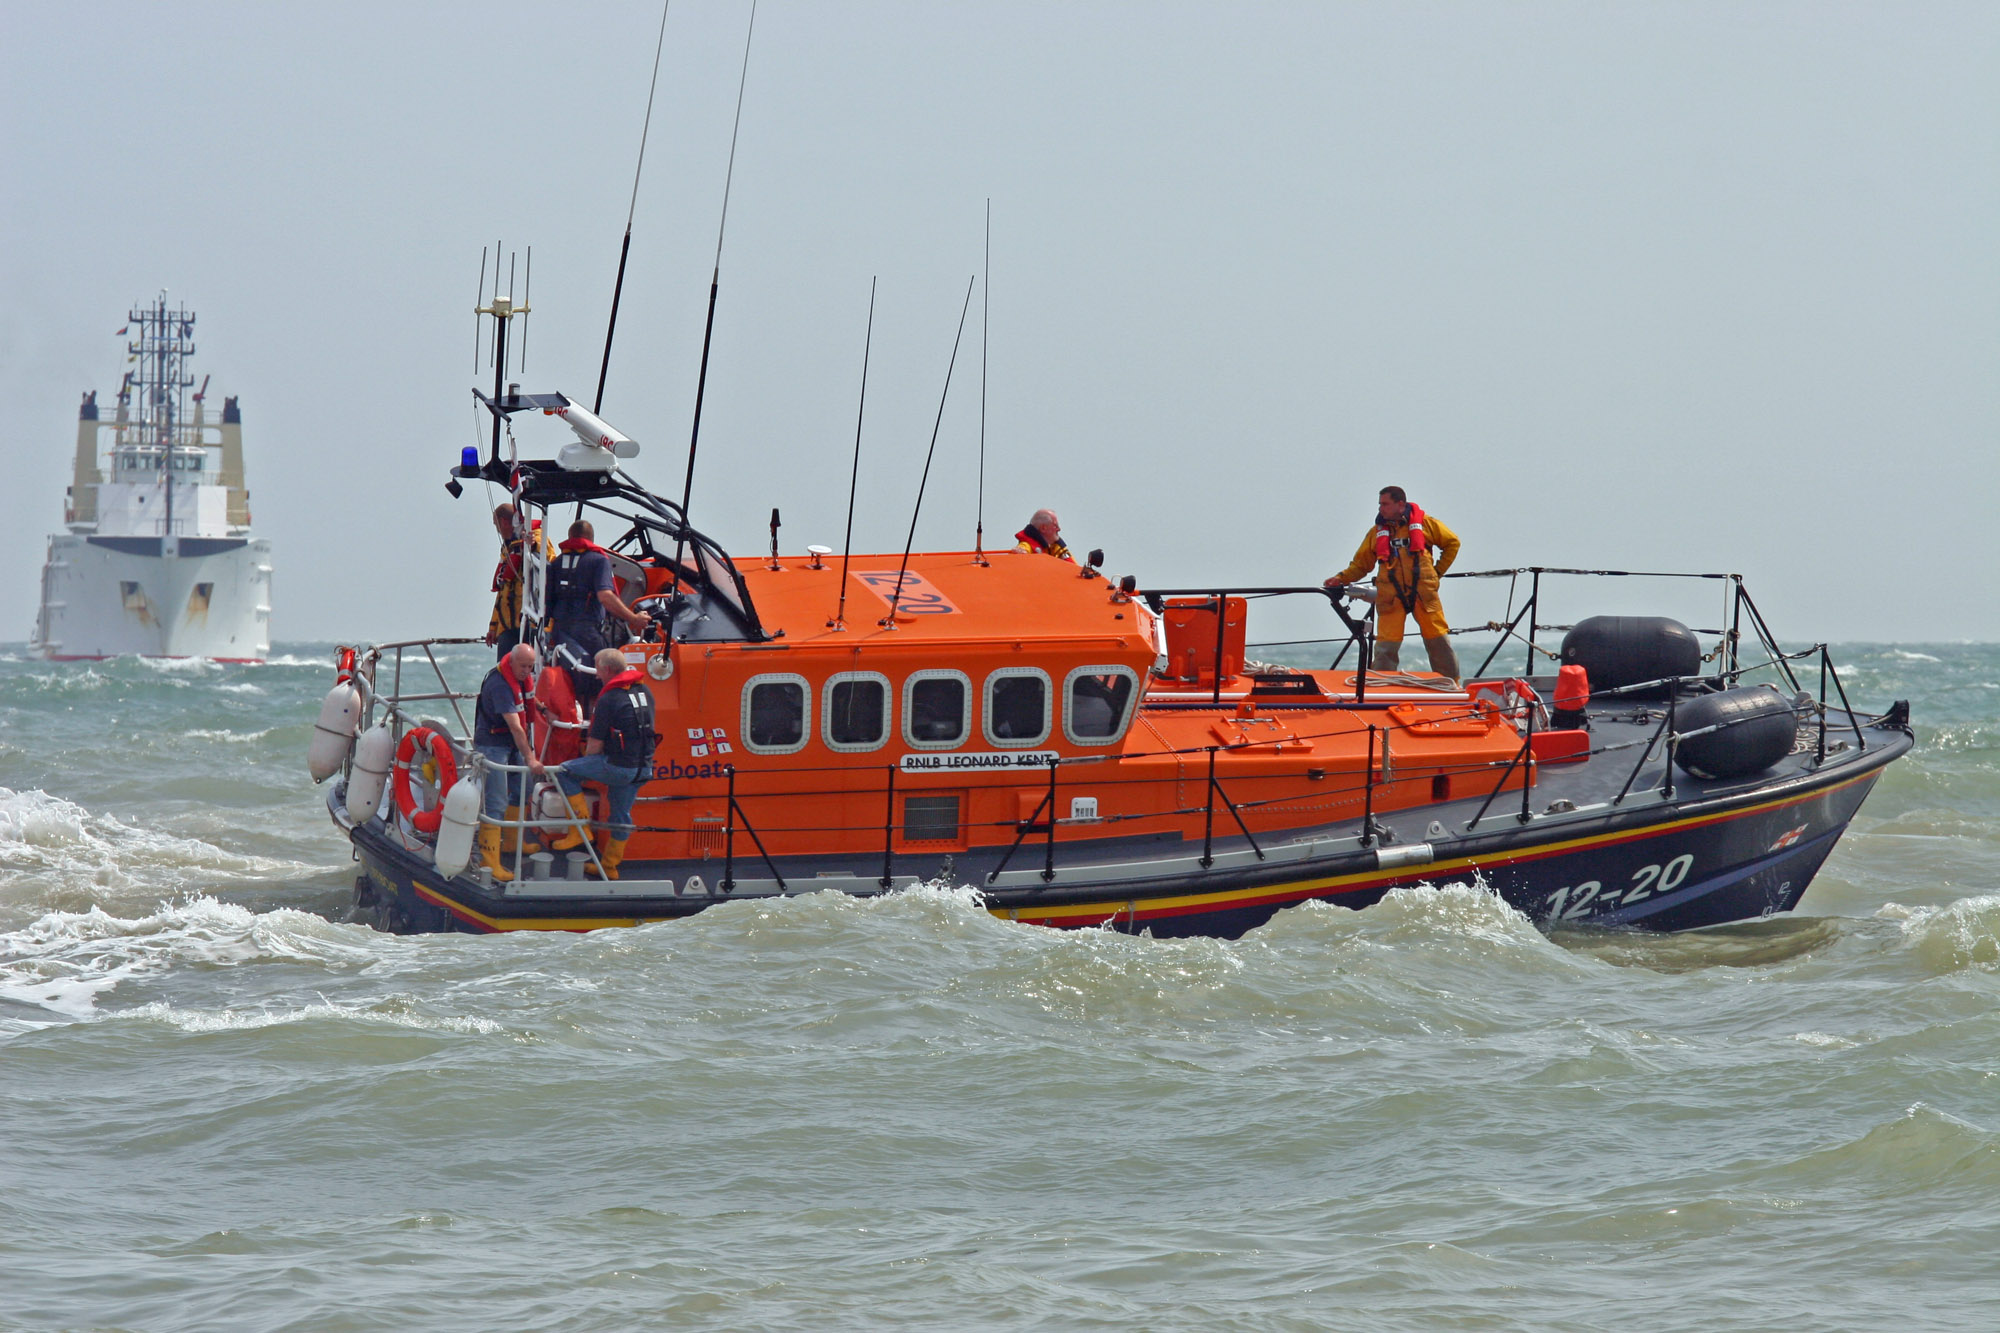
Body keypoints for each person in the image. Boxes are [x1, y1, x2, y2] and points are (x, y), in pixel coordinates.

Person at [1324, 486, 1462, 680]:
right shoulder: (1376, 533)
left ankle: (1451, 685)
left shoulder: (1426, 524)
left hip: (1424, 595)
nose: (1381, 508)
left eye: (1385, 504)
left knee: (1438, 641)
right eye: (1380, 504)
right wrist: (1341, 578)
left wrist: (1437, 572)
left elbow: (1452, 543)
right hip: (1390, 597)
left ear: (1400, 504)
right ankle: (1382, 685)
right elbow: (1361, 564)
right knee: (1385, 647)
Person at [546, 647, 656, 880]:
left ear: (606, 670)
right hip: (643, 769)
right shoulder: (645, 691)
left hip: (618, 768)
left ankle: (579, 831)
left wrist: (584, 768)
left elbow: (595, 745)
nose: (596, 675)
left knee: (564, 772)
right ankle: (609, 867)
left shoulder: (609, 698)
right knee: (621, 816)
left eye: (597, 669)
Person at [547, 518, 650, 714]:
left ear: (571, 538)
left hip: (561, 631)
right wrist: (634, 619)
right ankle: (597, 727)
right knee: (603, 680)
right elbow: (605, 596)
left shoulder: (557, 563)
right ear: (591, 539)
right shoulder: (598, 560)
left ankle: (578, 724)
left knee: (575, 681)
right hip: (587, 631)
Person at [472, 643, 546, 882]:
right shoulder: (500, 685)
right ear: (511, 662)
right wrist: (530, 758)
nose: (526, 671)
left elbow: (527, 703)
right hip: (493, 743)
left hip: (511, 743)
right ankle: (489, 859)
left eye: (530, 666)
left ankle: (513, 843)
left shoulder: (522, 678)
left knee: (522, 790)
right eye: (523, 666)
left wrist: (544, 709)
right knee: (496, 801)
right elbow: (515, 725)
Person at [484, 504, 549, 660]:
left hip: (530, 622)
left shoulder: (537, 537)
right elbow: (502, 590)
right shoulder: (507, 548)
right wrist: (493, 627)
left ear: (504, 522)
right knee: (504, 669)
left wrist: (532, 544)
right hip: (508, 626)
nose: (498, 530)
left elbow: (547, 556)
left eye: (496, 524)